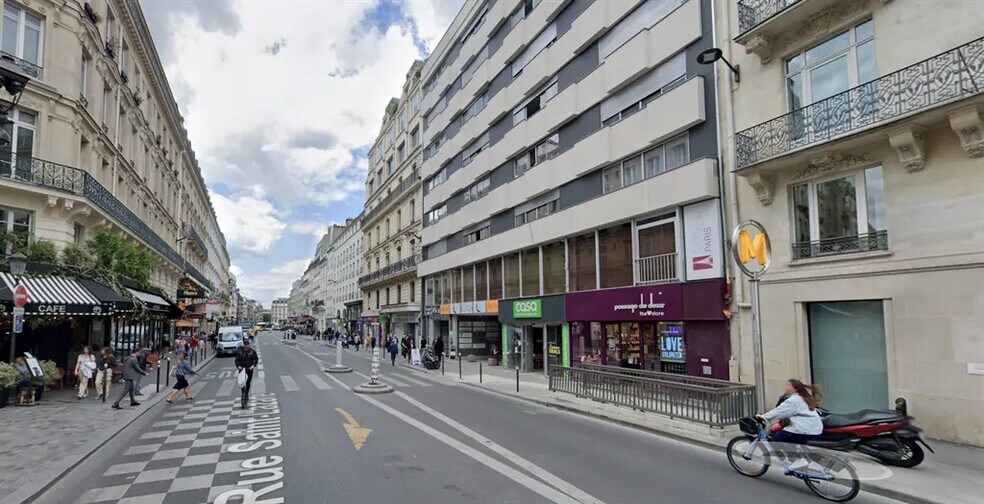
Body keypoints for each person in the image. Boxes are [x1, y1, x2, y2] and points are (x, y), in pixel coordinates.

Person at [757, 379, 824, 446]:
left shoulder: (794, 400)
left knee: (776, 440)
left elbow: (780, 411)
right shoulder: (804, 398)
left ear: (796, 389)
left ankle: (783, 456)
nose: (786, 387)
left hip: (803, 430)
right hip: (814, 430)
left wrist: (764, 417)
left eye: (788, 385)